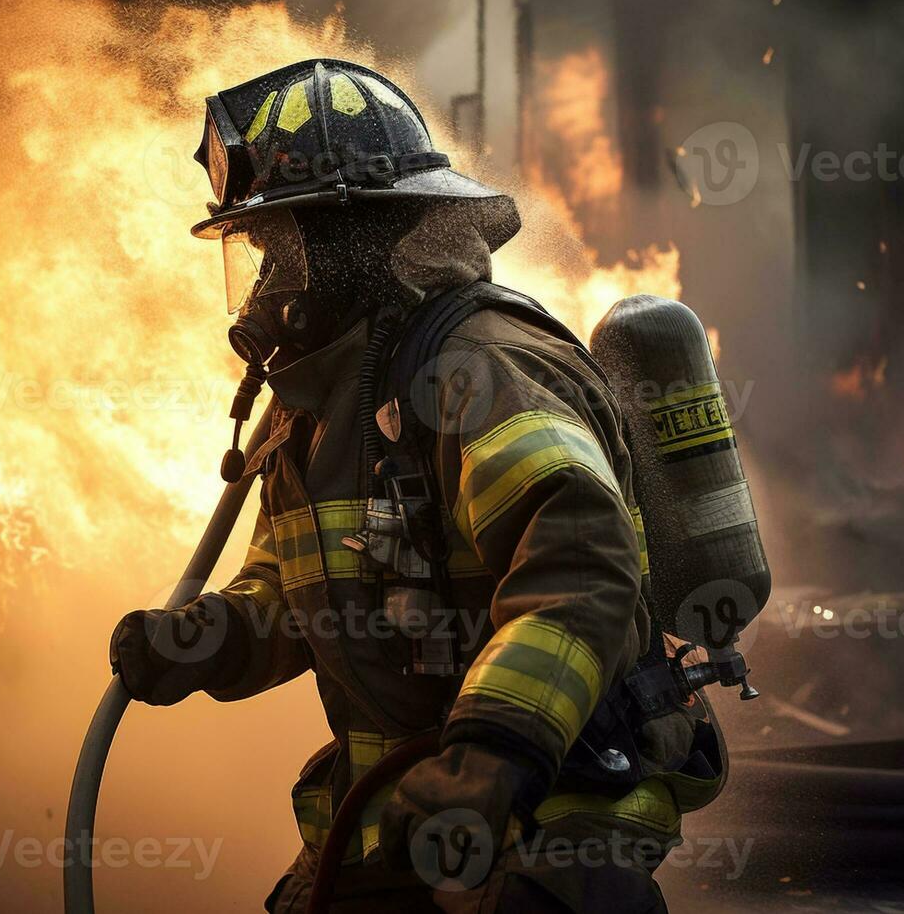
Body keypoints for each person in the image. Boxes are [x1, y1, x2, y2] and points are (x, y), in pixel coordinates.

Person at [110, 60, 725, 913]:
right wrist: (211, 637)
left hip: (542, 816)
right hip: (397, 818)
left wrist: (492, 753)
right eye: (257, 254)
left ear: (349, 238)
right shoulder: (320, 409)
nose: (264, 285)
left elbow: (581, 563)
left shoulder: (480, 366)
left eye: (279, 247)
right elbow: (302, 591)